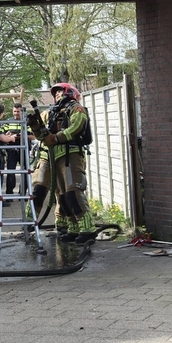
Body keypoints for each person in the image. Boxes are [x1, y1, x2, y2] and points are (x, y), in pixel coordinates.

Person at [30, 83, 97, 243]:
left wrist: (56, 138)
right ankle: (73, 229)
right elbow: (43, 137)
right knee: (62, 196)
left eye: (60, 91)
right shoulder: (52, 112)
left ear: (70, 92)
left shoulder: (76, 108)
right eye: (56, 93)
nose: (57, 95)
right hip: (56, 157)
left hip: (71, 155)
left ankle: (88, 229)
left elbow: (76, 126)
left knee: (73, 192)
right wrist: (35, 126)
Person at [0, 103, 27, 197]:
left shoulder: (26, 121)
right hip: (12, 150)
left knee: (25, 172)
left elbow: (32, 136)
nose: (16, 113)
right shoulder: (8, 121)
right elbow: (4, 135)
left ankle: (22, 193)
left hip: (24, 150)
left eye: (18, 111)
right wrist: (9, 135)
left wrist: (22, 136)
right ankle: (9, 194)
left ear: (21, 111)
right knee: (10, 172)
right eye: (14, 111)